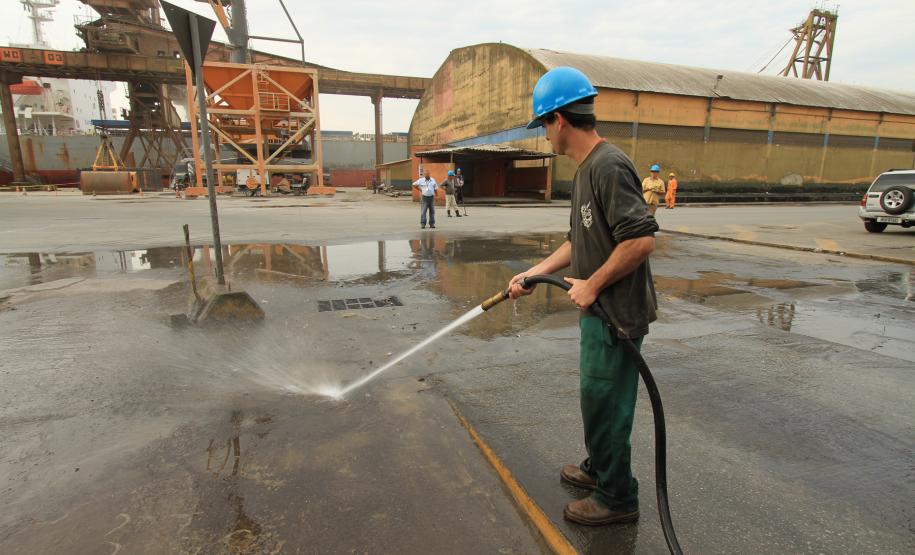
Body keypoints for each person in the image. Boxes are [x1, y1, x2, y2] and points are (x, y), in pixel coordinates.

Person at [508, 66, 658, 526]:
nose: (545, 135)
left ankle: (618, 498)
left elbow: (640, 239)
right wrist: (534, 272)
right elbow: (579, 241)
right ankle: (599, 471)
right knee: (595, 399)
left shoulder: (608, 165)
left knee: (608, 406)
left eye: (544, 125)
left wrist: (593, 284)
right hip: (598, 311)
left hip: (616, 315)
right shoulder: (586, 170)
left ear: (559, 120)